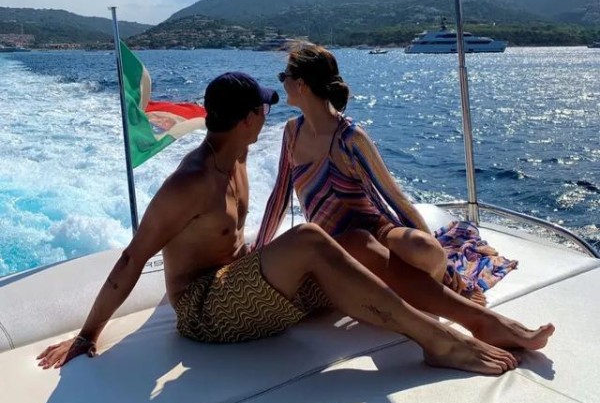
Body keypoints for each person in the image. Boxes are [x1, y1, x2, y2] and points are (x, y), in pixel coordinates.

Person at [38, 72, 552, 376]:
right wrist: (86, 336)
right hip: (204, 312)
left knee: (353, 239)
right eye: (262, 109)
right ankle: (436, 341)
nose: (269, 115)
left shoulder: (236, 157)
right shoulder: (190, 183)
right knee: (309, 236)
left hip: (247, 290)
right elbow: (134, 257)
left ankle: (479, 320)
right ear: (247, 120)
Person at [255, 43, 516, 304]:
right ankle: (408, 287)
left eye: (283, 76)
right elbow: (279, 198)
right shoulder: (292, 132)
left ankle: (445, 288)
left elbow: (396, 199)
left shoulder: (350, 138)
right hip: (330, 246)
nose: (282, 82)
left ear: (301, 84)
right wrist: (257, 252)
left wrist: (446, 265)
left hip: (376, 235)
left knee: (426, 250)